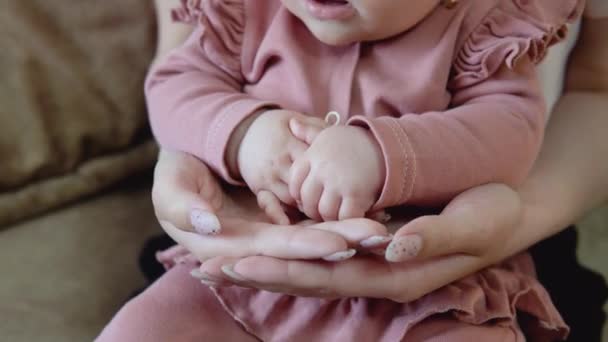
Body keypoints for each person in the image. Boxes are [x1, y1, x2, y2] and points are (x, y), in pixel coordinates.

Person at [97, 0, 608, 341]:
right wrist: (242, 134)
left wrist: (384, 154)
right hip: (243, 271)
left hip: (436, 286)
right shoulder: (250, 12)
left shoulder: (480, 26)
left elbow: (509, 130)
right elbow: (174, 82)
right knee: (142, 328)